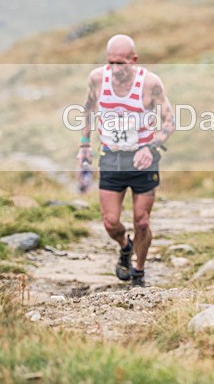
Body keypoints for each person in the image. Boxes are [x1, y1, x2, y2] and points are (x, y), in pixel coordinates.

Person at [77, 34, 174, 287]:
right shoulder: (97, 79)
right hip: (111, 158)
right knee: (110, 222)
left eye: (122, 63)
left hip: (143, 159)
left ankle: (139, 271)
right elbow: (87, 110)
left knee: (142, 220)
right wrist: (84, 146)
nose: (116, 69)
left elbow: (169, 121)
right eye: (111, 63)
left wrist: (150, 146)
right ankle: (124, 245)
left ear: (134, 60)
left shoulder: (150, 83)